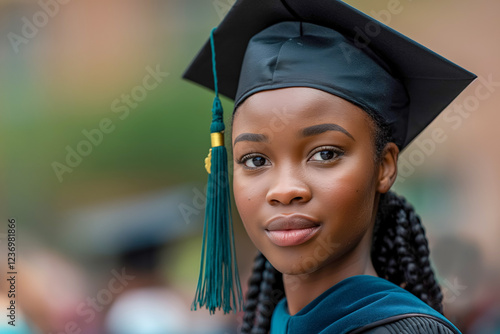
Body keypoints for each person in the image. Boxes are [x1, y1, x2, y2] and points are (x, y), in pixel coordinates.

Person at [182, 0, 476, 333]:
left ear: (384, 167)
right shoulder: (266, 325)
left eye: (324, 154)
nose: (284, 190)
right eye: (255, 160)